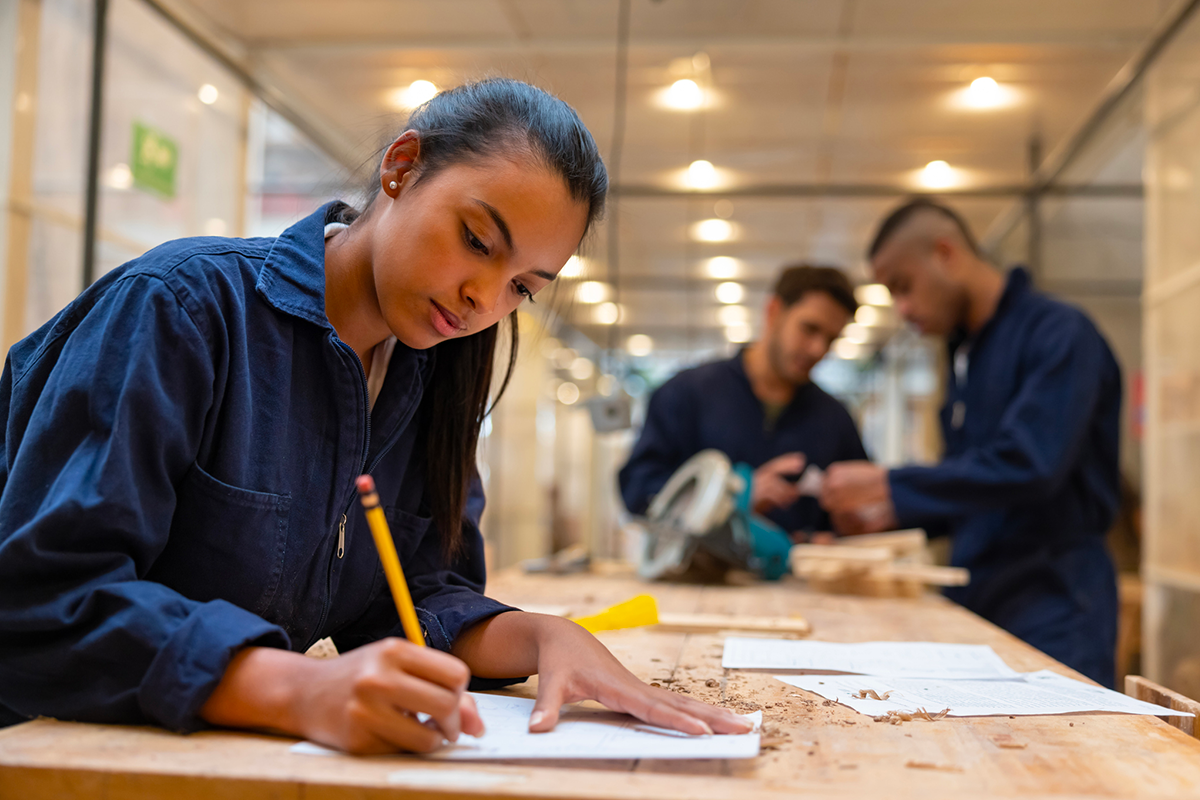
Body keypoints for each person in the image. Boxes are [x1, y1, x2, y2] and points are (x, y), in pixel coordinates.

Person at [0, 79, 751, 753]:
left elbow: (415, 595)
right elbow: (41, 602)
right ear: (400, 168)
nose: (482, 300)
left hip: (223, 756)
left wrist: (544, 637)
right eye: (476, 241)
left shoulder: (431, 375)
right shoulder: (184, 310)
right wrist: (298, 689)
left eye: (523, 286)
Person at [821, 199, 1121, 687]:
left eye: (903, 286)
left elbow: (1032, 464)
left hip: (1056, 601)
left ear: (945, 253)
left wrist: (890, 483)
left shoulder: (1060, 334)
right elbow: (976, 485)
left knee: (1059, 749)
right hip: (980, 592)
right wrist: (887, 518)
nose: (902, 308)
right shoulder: (965, 355)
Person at [619, 265, 868, 538]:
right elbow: (638, 491)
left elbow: (859, 506)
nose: (818, 349)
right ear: (774, 311)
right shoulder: (685, 394)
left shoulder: (835, 419)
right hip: (696, 577)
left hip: (792, 579)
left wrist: (848, 525)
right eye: (809, 329)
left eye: (830, 339)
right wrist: (733, 496)